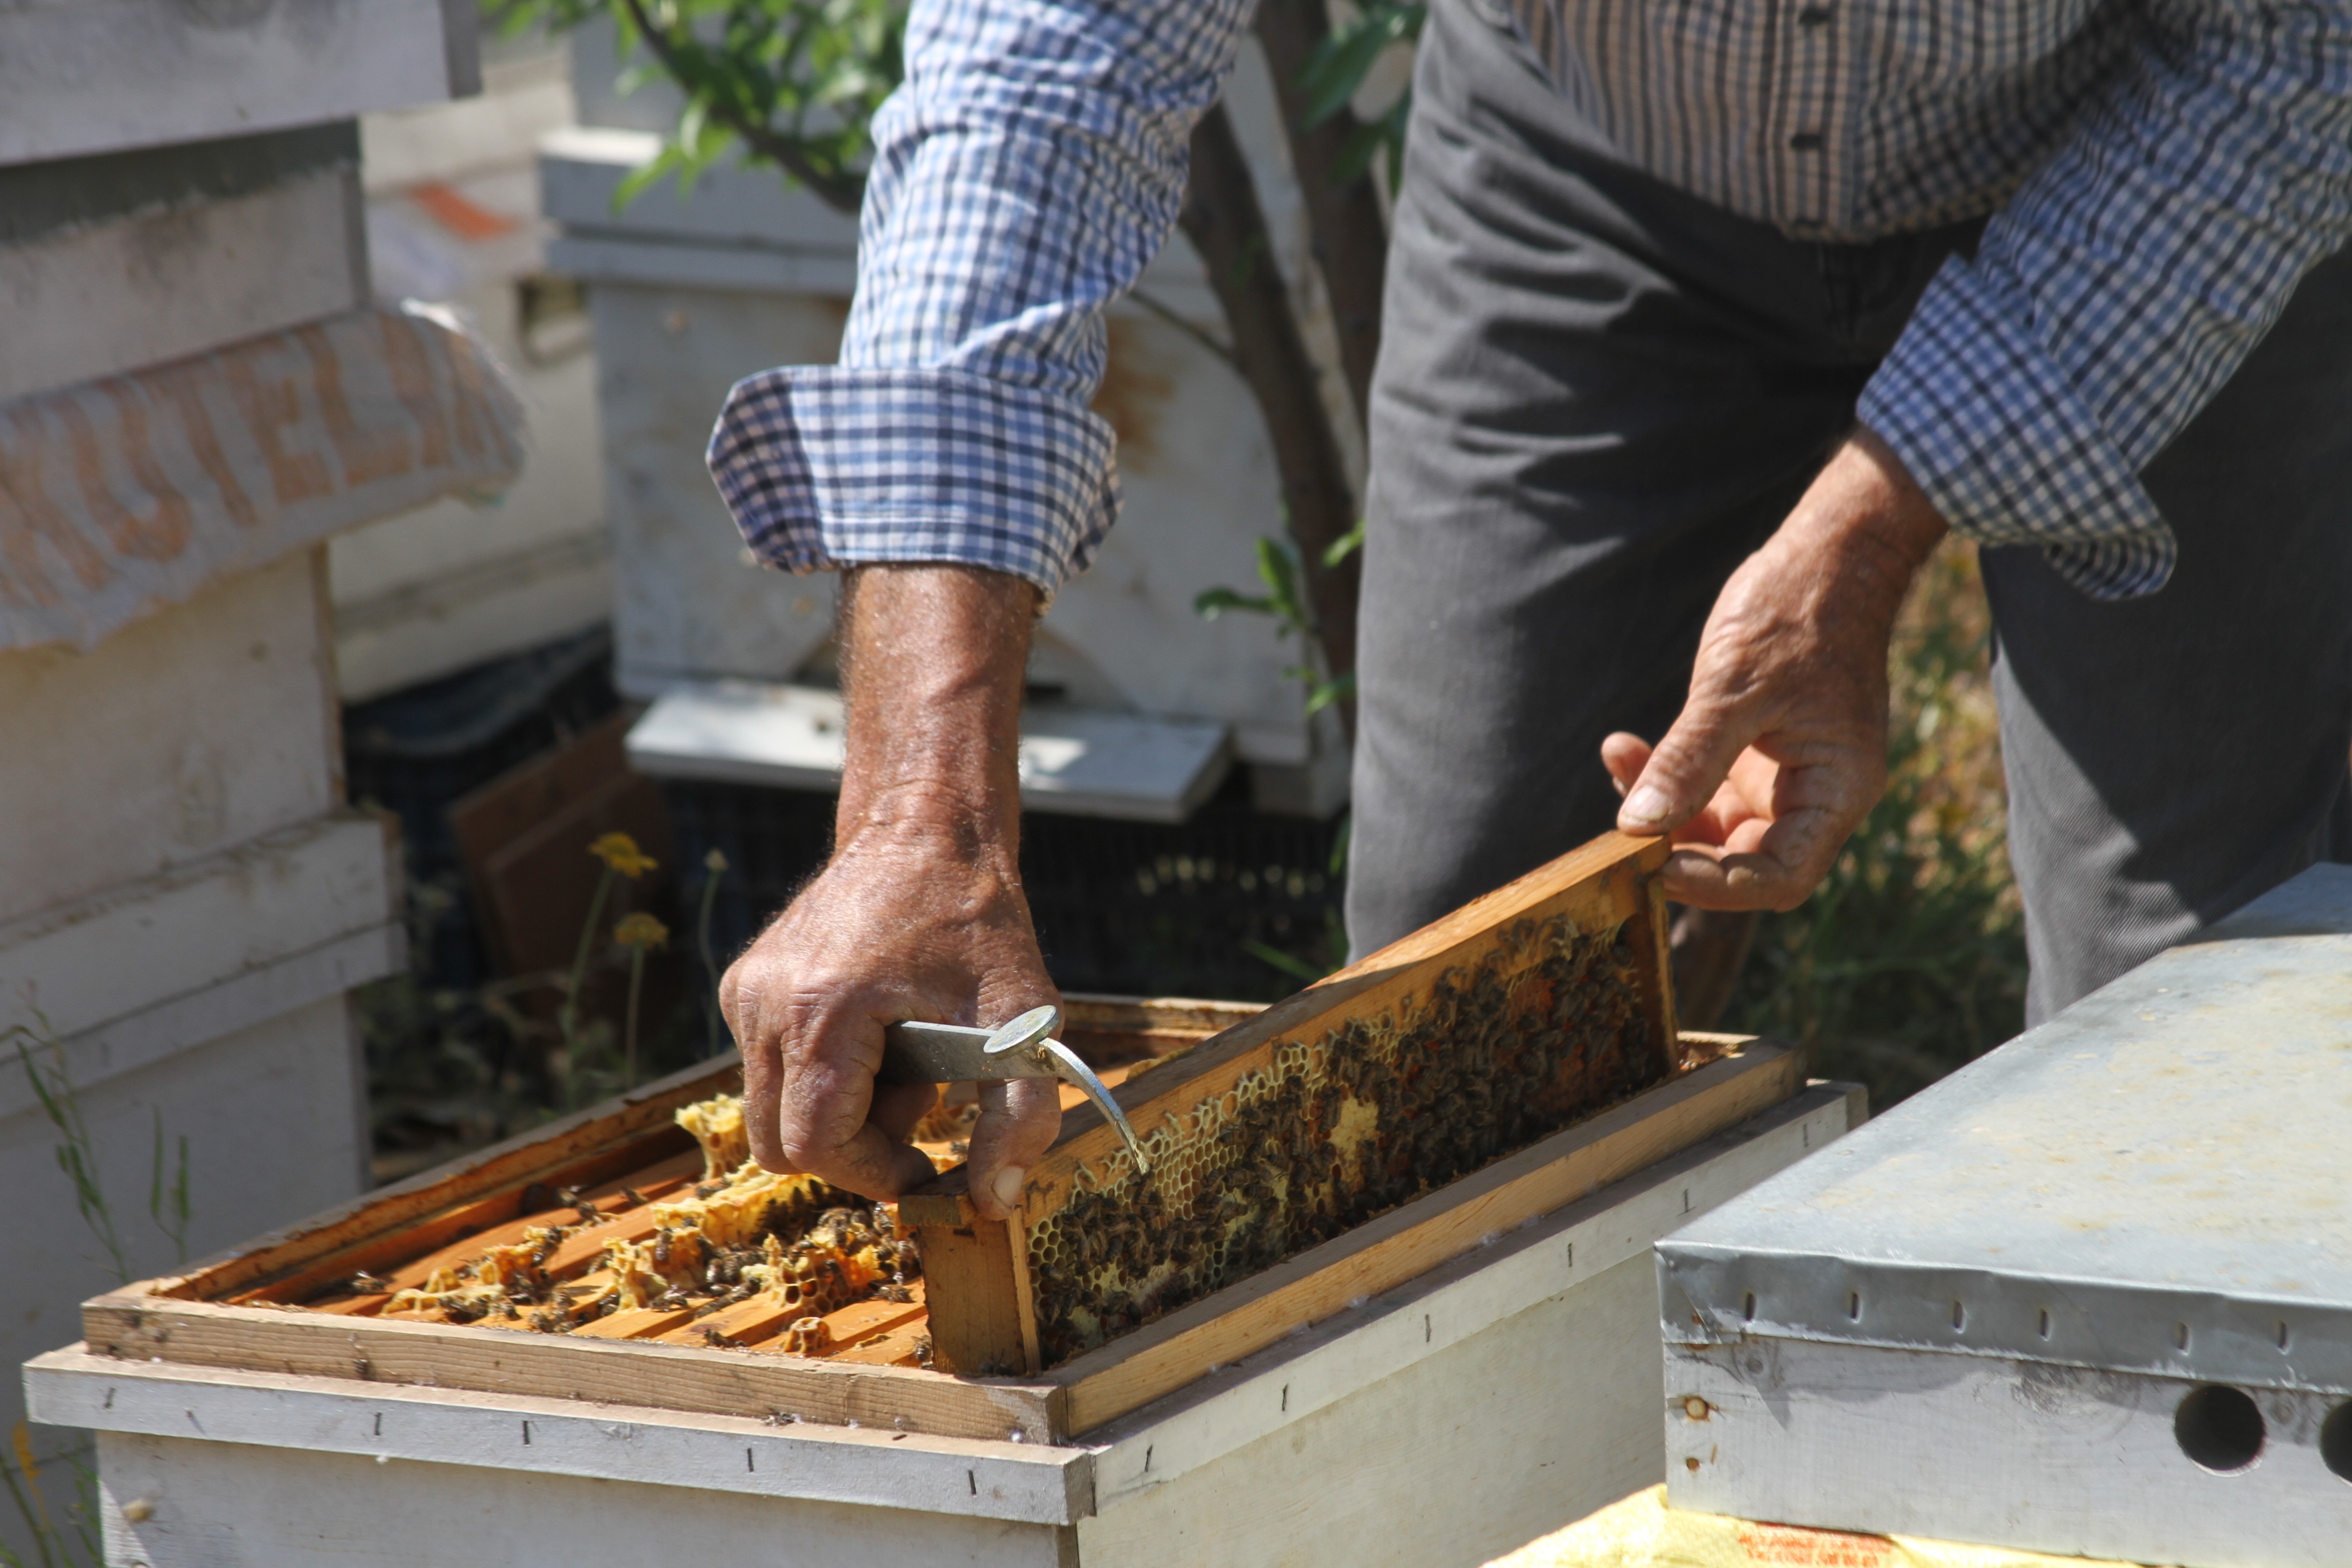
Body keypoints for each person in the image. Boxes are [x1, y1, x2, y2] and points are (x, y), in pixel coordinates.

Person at [710, 0, 2352, 1219]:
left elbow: (2297, 50)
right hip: (1594, 148)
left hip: (2173, 118)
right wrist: (918, 809)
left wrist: (1864, 538)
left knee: (2185, 1023)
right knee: (1440, 1015)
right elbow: (1039, 64)